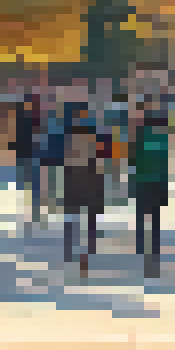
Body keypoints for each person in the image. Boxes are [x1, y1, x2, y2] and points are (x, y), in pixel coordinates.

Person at [62, 112, 106, 276]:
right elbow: (99, 162)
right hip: (89, 177)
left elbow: (67, 160)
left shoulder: (70, 140)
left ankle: (69, 250)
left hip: (75, 178)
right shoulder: (93, 140)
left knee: (73, 217)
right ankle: (88, 251)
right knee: (89, 218)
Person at [130, 107, 172, 276]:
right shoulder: (161, 140)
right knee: (154, 220)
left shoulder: (138, 139)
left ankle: (141, 246)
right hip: (156, 184)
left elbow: (133, 162)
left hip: (142, 183)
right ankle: (153, 254)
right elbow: (164, 166)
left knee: (141, 216)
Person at [13, 97, 42, 225]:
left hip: (31, 156)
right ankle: (28, 212)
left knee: (32, 183)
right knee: (25, 183)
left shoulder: (35, 120)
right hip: (24, 156)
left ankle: (33, 212)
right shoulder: (22, 120)